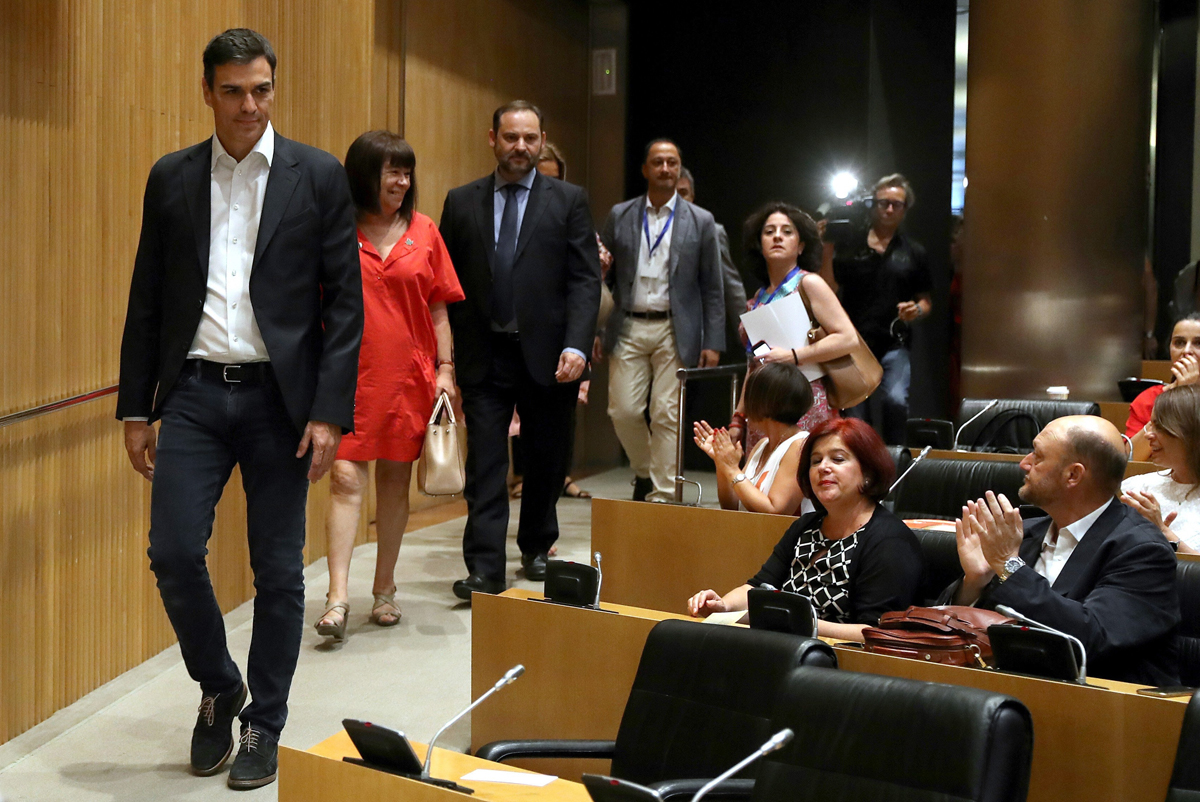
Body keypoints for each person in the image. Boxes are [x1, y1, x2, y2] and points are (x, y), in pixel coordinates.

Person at [116, 29, 362, 789]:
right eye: (232, 90)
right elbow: (148, 298)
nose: (248, 105)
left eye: (261, 89)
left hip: (279, 402)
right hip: (191, 392)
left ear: (272, 89)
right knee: (173, 552)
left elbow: (346, 306)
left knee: (279, 573)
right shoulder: (172, 177)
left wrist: (328, 412)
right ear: (207, 91)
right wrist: (135, 407)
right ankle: (221, 685)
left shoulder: (316, 176)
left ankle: (265, 724)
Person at [439, 101, 601, 599]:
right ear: (493, 138)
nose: (521, 147)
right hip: (484, 356)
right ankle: (485, 568)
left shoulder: (568, 200)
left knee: (546, 458)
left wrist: (578, 344)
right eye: (511, 137)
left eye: (530, 138)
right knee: (486, 465)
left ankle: (536, 547)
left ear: (542, 138)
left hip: (550, 356)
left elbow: (584, 279)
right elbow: (445, 284)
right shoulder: (461, 201)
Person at [313, 131, 464, 641]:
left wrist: (445, 369)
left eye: (406, 171)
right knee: (345, 479)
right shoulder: (338, 230)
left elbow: (439, 306)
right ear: (363, 175)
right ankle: (337, 597)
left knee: (395, 483)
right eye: (390, 172)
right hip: (349, 376)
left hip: (408, 377)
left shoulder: (424, 231)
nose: (401, 181)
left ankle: (384, 590)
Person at [945, 416, 1180, 686]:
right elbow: (948, 633)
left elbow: (1089, 640)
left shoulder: (1143, 551)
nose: (1025, 462)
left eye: (1038, 455)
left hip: (1107, 709)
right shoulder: (1024, 533)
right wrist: (975, 582)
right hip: (1010, 689)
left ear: (1073, 475)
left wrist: (1009, 566)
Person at [687, 418, 924, 641]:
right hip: (786, 649)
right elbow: (758, 587)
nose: (823, 468)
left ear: (868, 475)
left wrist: (799, 622)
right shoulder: (806, 526)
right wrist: (723, 606)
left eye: (838, 459)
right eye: (816, 461)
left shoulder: (890, 541)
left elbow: (875, 631)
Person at [600, 139, 724, 503]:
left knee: (667, 412)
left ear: (679, 167)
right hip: (628, 323)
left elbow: (712, 288)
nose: (665, 169)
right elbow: (602, 275)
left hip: (676, 327)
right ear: (645, 169)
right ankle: (645, 472)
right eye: (658, 162)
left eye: (672, 162)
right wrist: (594, 327)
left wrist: (712, 341)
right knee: (622, 410)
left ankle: (665, 495)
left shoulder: (701, 221)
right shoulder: (620, 214)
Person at [729, 202, 856, 446]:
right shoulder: (757, 299)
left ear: (800, 246)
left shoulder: (809, 283)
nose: (777, 236)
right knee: (762, 480)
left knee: (801, 477)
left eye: (787, 232)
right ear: (760, 244)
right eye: (769, 232)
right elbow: (753, 365)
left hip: (804, 401)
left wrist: (793, 356)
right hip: (762, 407)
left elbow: (847, 338)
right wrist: (738, 417)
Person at [828, 174, 932, 445]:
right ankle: (860, 472)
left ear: (905, 209)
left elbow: (926, 300)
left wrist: (916, 311)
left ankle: (895, 467)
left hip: (894, 341)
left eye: (896, 204)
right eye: (883, 203)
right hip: (853, 342)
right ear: (871, 204)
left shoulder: (914, 251)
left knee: (896, 402)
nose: (889, 209)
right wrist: (826, 245)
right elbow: (827, 284)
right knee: (854, 413)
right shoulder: (850, 246)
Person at [693, 362, 810, 515]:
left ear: (763, 403)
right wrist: (722, 462)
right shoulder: (762, 444)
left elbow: (775, 512)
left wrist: (732, 470)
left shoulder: (799, 446)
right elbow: (732, 507)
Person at [1121, 385, 1200, 553]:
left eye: (1160, 427)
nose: (1149, 435)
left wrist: (1164, 533)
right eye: (1151, 425)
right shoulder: (1136, 489)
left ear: (1191, 433)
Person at [676, 167, 747, 349]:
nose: (678, 200)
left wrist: (751, 337)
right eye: (672, 194)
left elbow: (731, 287)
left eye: (683, 193)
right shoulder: (650, 232)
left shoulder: (712, 231)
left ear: (692, 197)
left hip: (697, 336)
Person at [1127, 313, 1200, 460]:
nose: (1186, 351)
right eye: (1179, 342)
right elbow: (1131, 458)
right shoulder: (1149, 398)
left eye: (1198, 343)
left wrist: (1190, 396)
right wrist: (1176, 395)